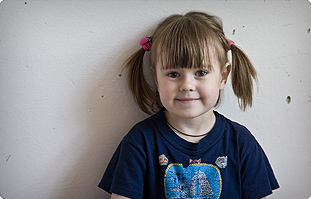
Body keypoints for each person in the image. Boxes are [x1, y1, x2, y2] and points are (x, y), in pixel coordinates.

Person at [98, 11, 279, 199]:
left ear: (223, 76)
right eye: (173, 74)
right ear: (156, 78)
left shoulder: (241, 142)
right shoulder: (139, 142)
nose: (187, 86)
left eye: (201, 72)